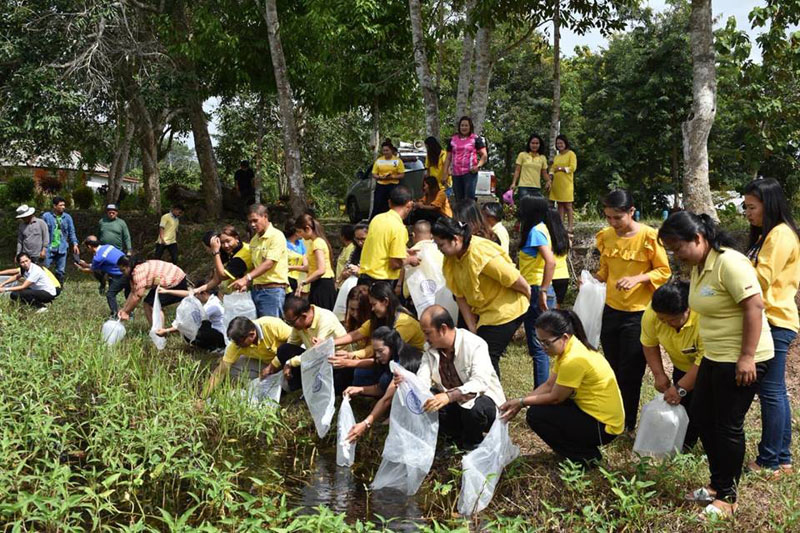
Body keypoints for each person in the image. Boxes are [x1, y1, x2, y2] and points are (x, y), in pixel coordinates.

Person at [658, 211, 774, 518]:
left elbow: (754, 306)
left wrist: (746, 356)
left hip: (742, 358)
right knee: (702, 416)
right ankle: (716, 483)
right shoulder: (700, 266)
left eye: (678, 248)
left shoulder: (730, 263)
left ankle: (728, 497)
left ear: (698, 238)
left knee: (727, 425)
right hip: (714, 355)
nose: (676, 255)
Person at [499, 310, 624, 467]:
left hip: (604, 427)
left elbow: (556, 397)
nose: (543, 347)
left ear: (564, 337)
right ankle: (582, 451)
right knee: (540, 410)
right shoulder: (571, 349)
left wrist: (522, 402)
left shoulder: (574, 360)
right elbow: (549, 385)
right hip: (597, 417)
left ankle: (585, 457)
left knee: (536, 416)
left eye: (546, 343)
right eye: (539, 342)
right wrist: (520, 402)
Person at [594, 189, 670, 432]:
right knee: (612, 368)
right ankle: (611, 417)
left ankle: (627, 424)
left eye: (618, 217)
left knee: (631, 371)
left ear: (631, 211)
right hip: (611, 309)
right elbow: (604, 270)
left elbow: (663, 271)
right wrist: (591, 281)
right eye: (608, 217)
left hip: (638, 314)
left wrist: (639, 278)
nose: (613, 223)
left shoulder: (649, 236)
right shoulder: (605, 236)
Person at [742, 178, 800, 476]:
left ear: (770, 204)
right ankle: (783, 458)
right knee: (774, 391)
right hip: (771, 320)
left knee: (771, 392)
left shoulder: (779, 235)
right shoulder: (767, 235)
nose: (748, 213)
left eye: (752, 207)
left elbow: (760, 281)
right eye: (745, 207)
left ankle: (769, 461)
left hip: (775, 321)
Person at [432, 217, 530, 377]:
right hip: (486, 312)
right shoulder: (451, 259)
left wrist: (531, 298)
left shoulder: (479, 252)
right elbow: (460, 296)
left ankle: (493, 399)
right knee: (477, 356)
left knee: (487, 359)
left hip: (506, 309)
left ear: (455, 239)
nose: (438, 249)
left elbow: (513, 278)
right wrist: (472, 328)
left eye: (441, 244)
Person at [416, 305, 506, 450]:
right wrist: (408, 382)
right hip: (455, 406)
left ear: (443, 329)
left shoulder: (475, 344)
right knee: (428, 398)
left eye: (428, 333)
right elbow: (422, 377)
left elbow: (480, 382)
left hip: (482, 402)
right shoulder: (430, 349)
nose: (426, 338)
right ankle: (454, 439)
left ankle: (473, 443)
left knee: (473, 407)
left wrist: (449, 396)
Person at [640, 280, 703, 451]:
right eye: (662, 319)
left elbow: (704, 361)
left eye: (673, 320)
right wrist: (659, 374)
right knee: (684, 407)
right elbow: (649, 343)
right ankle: (684, 446)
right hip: (681, 366)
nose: (667, 323)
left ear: (687, 309)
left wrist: (681, 388)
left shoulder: (703, 317)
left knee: (705, 408)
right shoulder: (652, 315)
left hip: (710, 367)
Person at [518, 196, 570, 387]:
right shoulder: (543, 229)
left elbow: (551, 261)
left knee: (539, 345)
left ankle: (541, 389)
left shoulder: (536, 231)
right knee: (548, 341)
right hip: (538, 289)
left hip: (535, 289)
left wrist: (542, 290)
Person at [344, 337, 424, 444]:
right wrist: (360, 389)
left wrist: (365, 423)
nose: (377, 355)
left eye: (380, 351)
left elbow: (387, 398)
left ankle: (397, 418)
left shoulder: (402, 364)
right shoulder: (390, 362)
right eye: (375, 351)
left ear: (391, 348)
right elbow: (381, 389)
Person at [331, 281, 426, 370]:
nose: (372, 309)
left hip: (413, 364)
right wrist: (330, 343)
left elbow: (383, 351)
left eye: (374, 304)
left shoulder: (405, 323)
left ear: (385, 302)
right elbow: (357, 334)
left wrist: (349, 359)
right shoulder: (382, 317)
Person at [201, 316, 291, 398]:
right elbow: (220, 372)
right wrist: (203, 397)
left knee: (289, 381)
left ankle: (285, 387)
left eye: (240, 342)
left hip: (288, 361)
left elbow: (296, 341)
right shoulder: (237, 345)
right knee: (231, 367)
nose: (237, 345)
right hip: (266, 365)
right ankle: (263, 386)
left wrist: (275, 364)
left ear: (252, 334)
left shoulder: (271, 325)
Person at [277, 295, 352, 392]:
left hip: (336, 364)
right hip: (316, 361)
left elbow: (317, 352)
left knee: (335, 386)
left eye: (292, 323)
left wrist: (290, 362)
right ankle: (298, 388)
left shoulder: (325, 318)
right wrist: (275, 365)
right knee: (284, 350)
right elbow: (291, 344)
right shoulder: (298, 325)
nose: (292, 326)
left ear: (303, 316)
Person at [230, 205, 289, 318]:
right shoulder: (254, 241)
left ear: (265, 217)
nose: (252, 225)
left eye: (255, 220)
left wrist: (246, 278)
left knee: (270, 330)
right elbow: (255, 265)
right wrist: (245, 283)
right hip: (256, 290)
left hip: (272, 291)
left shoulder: (276, 236)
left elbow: (269, 263)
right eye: (250, 221)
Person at [358, 186, 418, 287]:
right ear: (409, 204)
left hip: (364, 277)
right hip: (381, 282)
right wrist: (410, 260)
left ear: (389, 202)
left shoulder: (377, 219)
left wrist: (404, 252)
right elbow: (394, 263)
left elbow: (381, 247)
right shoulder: (399, 228)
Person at [117, 257, 188, 326]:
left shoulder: (138, 272)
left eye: (123, 270)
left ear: (129, 266)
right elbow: (133, 292)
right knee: (147, 303)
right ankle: (155, 331)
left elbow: (138, 296)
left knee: (154, 305)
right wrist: (124, 310)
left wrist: (127, 312)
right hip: (163, 281)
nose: (122, 273)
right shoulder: (133, 272)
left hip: (175, 279)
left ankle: (160, 333)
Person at [155, 284, 226, 351]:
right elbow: (189, 294)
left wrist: (167, 331)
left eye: (197, 295)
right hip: (223, 334)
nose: (196, 298)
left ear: (204, 293)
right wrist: (167, 291)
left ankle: (214, 347)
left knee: (192, 328)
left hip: (221, 337)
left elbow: (190, 323)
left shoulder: (211, 306)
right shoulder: (215, 300)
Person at [75, 235, 129, 317]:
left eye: (86, 248)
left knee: (110, 295)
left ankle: (114, 314)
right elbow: (103, 263)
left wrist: (81, 268)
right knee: (128, 293)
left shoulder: (98, 257)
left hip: (121, 275)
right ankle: (130, 313)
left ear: (89, 246)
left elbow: (93, 269)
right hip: (129, 270)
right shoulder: (108, 246)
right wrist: (86, 264)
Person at [295, 213, 336, 310]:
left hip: (322, 285)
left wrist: (303, 282)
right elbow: (311, 267)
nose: (299, 235)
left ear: (307, 229)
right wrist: (290, 267)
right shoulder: (317, 242)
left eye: (300, 232)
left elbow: (321, 270)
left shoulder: (317, 243)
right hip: (319, 283)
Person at [398, 220, 444, 306]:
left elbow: (402, 271)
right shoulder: (441, 250)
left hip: (417, 299)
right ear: (431, 235)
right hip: (442, 295)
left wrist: (399, 285)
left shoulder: (410, 253)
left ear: (413, 235)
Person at [197, 226, 254, 293]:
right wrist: (198, 290)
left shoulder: (242, 257)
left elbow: (222, 276)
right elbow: (216, 279)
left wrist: (216, 252)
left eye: (228, 241)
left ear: (236, 238)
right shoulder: (235, 251)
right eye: (222, 243)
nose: (226, 245)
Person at [444, 116, 487, 202]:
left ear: (470, 127)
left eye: (466, 125)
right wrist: (445, 173)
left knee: (469, 200)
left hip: (470, 173)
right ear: (459, 127)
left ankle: (470, 215)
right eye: (462, 125)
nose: (464, 127)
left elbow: (484, 156)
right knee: (458, 199)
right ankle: (460, 215)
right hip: (456, 174)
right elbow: (448, 158)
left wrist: (478, 166)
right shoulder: (452, 140)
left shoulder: (475, 139)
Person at [42, 196, 78, 285]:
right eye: (61, 205)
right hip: (49, 247)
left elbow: (71, 231)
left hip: (62, 247)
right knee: (45, 268)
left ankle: (59, 287)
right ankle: (45, 286)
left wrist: (75, 243)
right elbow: (41, 232)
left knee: (60, 270)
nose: (63, 207)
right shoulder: (46, 216)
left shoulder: (67, 217)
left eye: (64, 205)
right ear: (54, 206)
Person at [97, 204, 132, 294]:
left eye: (113, 212)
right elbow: (98, 235)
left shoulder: (121, 223)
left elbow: (126, 237)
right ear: (107, 212)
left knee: (114, 271)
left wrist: (129, 249)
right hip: (103, 251)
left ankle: (112, 289)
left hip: (116, 251)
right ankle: (102, 283)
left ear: (117, 213)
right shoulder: (102, 222)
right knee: (100, 271)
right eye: (109, 211)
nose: (111, 213)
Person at [369, 139, 405, 219]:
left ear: (391, 150)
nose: (385, 152)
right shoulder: (379, 160)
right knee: (378, 204)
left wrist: (392, 177)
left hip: (393, 185)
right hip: (381, 185)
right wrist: (379, 177)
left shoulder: (397, 161)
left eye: (387, 150)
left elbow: (402, 174)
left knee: (392, 205)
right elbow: (374, 173)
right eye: (384, 151)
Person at [549, 135, 577, 234]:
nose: (559, 145)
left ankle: (570, 226)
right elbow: (552, 168)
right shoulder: (557, 156)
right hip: (557, 184)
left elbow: (573, 167)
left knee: (568, 205)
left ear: (565, 143)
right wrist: (550, 177)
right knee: (560, 205)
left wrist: (561, 169)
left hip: (567, 184)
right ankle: (560, 226)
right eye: (558, 143)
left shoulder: (571, 154)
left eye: (561, 143)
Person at [511, 134, 551, 202]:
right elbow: (517, 170)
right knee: (525, 208)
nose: (534, 145)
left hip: (536, 187)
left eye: (537, 143)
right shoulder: (522, 155)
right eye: (532, 143)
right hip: (524, 187)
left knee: (535, 209)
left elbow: (544, 173)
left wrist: (548, 181)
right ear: (529, 144)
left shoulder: (542, 157)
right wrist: (514, 183)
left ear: (539, 145)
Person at [284, 221, 308, 294]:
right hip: (285, 279)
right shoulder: (283, 243)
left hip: (295, 279)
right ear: (296, 232)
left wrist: (291, 267)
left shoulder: (300, 244)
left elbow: (306, 267)